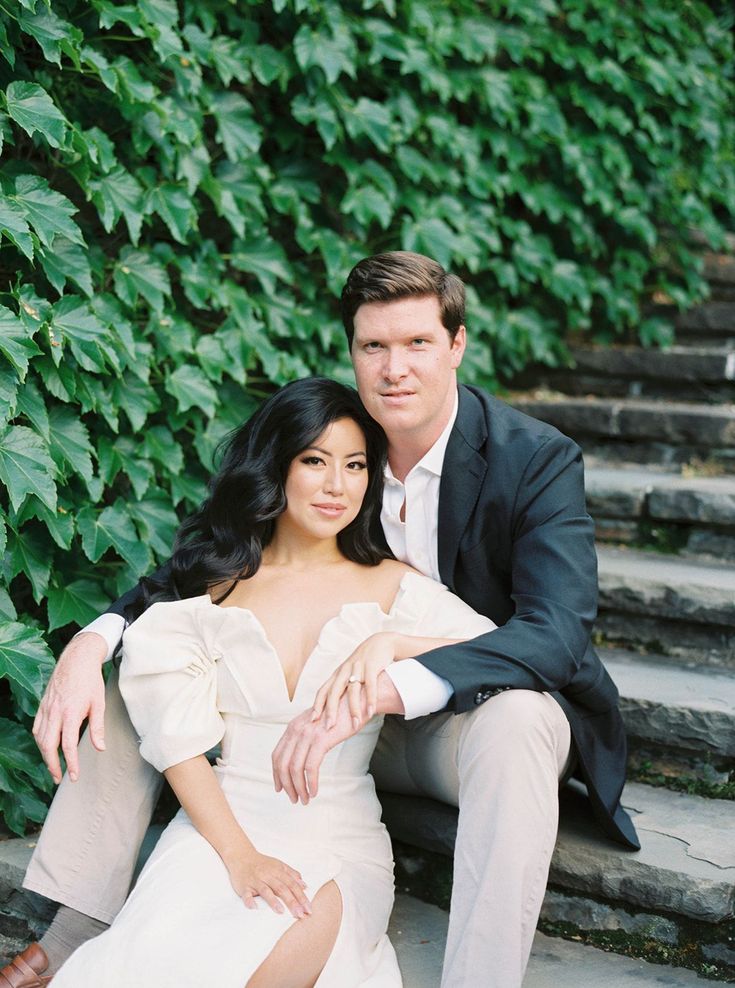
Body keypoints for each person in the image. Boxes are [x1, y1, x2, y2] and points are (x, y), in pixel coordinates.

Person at [4, 251, 638, 988]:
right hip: (312, 708)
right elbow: (192, 580)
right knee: (124, 680)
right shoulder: (338, 435)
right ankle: (75, 934)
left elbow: (557, 635)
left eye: (417, 345)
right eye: (375, 347)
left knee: (523, 721)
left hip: (457, 713)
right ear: (353, 353)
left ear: (456, 345)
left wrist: (399, 654)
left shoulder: (532, 460)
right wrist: (90, 638)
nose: (394, 369)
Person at [48, 377, 497, 987]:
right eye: (315, 461)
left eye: (356, 464)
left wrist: (393, 643)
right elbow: (178, 746)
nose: (338, 485)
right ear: (276, 468)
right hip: (216, 831)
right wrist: (240, 856)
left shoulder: (396, 588)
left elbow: (500, 651)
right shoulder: (216, 588)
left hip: (337, 835)